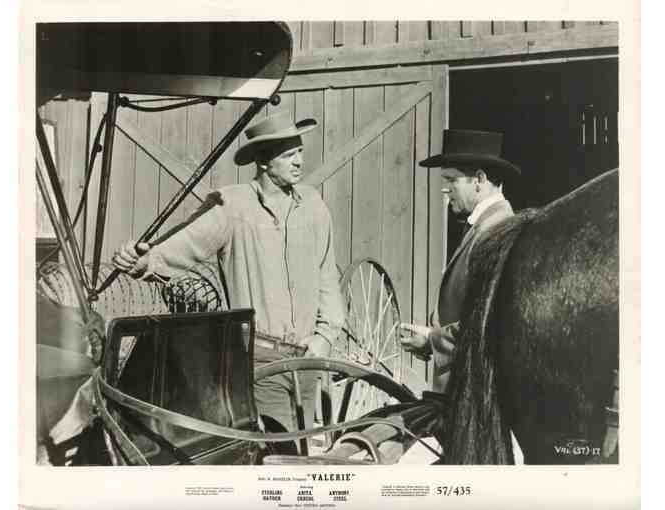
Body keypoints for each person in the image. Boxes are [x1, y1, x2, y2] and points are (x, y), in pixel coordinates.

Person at [112, 111, 345, 444]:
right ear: (263, 160)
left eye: (300, 152)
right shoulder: (233, 207)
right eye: (288, 155)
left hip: (308, 356)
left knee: (302, 446)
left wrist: (325, 335)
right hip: (260, 357)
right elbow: (185, 243)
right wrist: (142, 261)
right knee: (279, 450)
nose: (299, 162)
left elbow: (327, 276)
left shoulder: (313, 206)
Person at [400, 129, 520, 394]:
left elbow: (487, 321)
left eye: (451, 179)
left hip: (472, 392)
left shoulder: (496, 230)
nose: (445, 188)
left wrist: (432, 341)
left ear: (479, 179)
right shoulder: (482, 225)